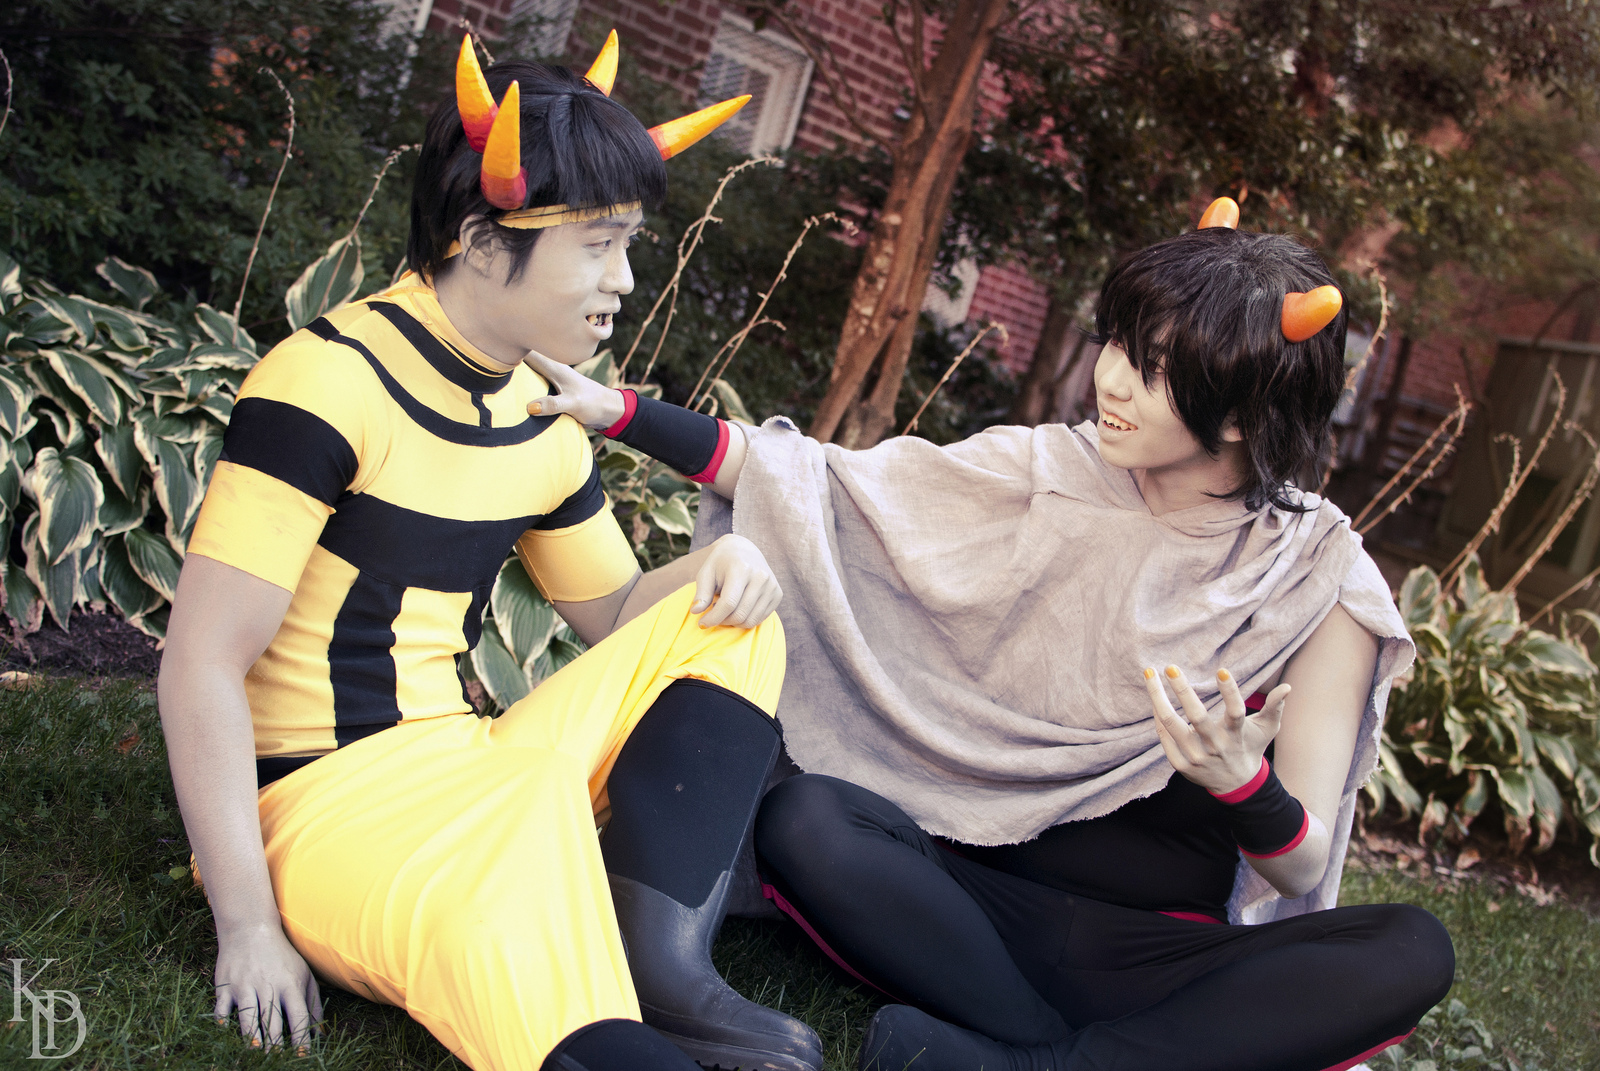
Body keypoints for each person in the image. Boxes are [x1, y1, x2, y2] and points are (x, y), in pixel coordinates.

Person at [528, 202, 1455, 1071]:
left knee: (1412, 947)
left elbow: (1299, 861)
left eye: (1158, 368)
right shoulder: (1046, 469)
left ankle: (1024, 1059)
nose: (1113, 380)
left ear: (1246, 410)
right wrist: (622, 413)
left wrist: (1243, 782)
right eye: (1120, 343)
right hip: (967, 904)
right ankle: (1054, 1052)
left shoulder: (1316, 576)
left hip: (1151, 949)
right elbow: (822, 489)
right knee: (807, 820)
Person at [158, 34, 825, 1071]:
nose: (625, 279)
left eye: (630, 244)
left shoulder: (540, 412)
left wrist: (715, 568)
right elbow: (200, 661)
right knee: (523, 851)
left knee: (731, 625)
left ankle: (661, 968)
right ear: (479, 239)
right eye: (598, 245)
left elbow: (613, 616)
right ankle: (596, 1015)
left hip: (471, 763)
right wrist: (246, 923)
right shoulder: (326, 381)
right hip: (318, 803)